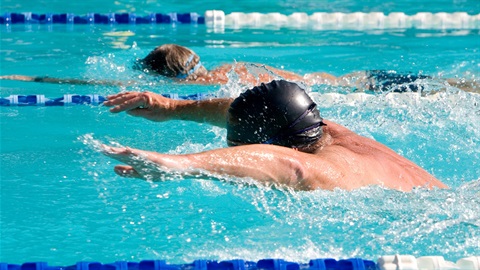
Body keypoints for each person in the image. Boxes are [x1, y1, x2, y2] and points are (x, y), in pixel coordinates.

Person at [101, 80, 448, 191]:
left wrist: (179, 165)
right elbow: (248, 112)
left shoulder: (332, 169)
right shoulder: (324, 130)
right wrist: (173, 108)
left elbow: (289, 167)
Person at [1, 44, 477, 92]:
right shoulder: (228, 65)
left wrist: (26, 78)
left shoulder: (205, 84)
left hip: (345, 95)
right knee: (443, 87)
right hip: (349, 82)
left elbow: (93, 82)